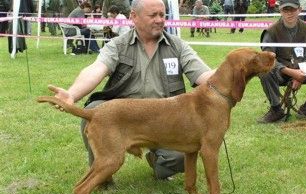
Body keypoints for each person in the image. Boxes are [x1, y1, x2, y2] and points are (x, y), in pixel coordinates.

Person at [49, 0, 214, 182]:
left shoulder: (178, 46)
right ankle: (102, 173)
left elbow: (205, 75)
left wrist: (232, 72)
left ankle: (158, 160)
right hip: (125, 118)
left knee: (183, 156)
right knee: (95, 111)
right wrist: (72, 94)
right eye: (153, 15)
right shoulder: (118, 45)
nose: (160, 20)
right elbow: (96, 69)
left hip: (165, 120)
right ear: (133, 17)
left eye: (162, 15)